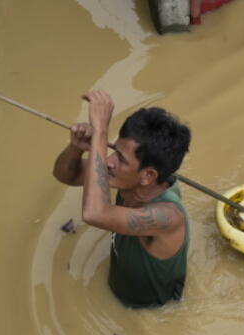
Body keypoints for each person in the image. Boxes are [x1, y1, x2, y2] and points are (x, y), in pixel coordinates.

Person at [52, 91, 192, 308]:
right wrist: (76, 148)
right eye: (114, 151)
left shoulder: (168, 216)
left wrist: (99, 132)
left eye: (121, 159)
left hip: (151, 313)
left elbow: (94, 214)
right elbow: (65, 175)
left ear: (148, 176)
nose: (109, 162)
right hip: (118, 290)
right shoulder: (124, 177)